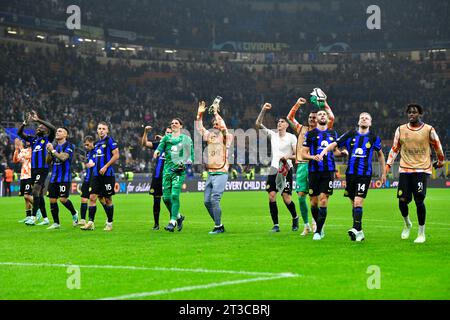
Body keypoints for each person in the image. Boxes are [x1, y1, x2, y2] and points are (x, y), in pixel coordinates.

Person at [319, 112, 385, 241]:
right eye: (362, 118)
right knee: (353, 203)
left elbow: (380, 155)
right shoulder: (350, 134)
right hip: (350, 174)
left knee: (358, 201)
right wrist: (324, 151)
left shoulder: (373, 137)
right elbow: (335, 144)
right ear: (359, 121)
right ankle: (359, 231)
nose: (364, 119)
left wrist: (383, 173)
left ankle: (355, 228)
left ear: (370, 123)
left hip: (364, 174)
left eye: (367, 118)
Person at [386, 104, 445, 243]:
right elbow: (395, 148)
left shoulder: (428, 129)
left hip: (421, 169)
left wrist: (441, 160)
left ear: (420, 114)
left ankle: (421, 232)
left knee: (419, 200)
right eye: (409, 112)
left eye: (414, 112)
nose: (411, 114)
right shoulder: (400, 129)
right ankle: (407, 224)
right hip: (405, 169)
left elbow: (437, 144)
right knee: (402, 202)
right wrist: (388, 164)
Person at [287, 96, 335, 236]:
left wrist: (324, 103)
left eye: (314, 117)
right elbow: (290, 117)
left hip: (318, 166)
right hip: (303, 164)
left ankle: (317, 224)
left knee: (317, 198)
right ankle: (306, 225)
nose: (312, 119)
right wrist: (297, 105)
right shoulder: (302, 129)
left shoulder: (325, 129)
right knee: (301, 195)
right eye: (310, 117)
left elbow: (331, 117)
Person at [301, 109, 345, 240]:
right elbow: (303, 153)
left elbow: (335, 151)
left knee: (323, 199)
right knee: (313, 203)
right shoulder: (310, 134)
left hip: (328, 171)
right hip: (313, 171)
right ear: (316, 118)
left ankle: (318, 231)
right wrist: (312, 157)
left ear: (327, 118)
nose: (322, 116)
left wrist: (342, 153)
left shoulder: (333, 133)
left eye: (324, 114)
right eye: (320, 114)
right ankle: (318, 224)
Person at [256, 102, 298, 232]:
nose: (279, 123)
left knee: (286, 198)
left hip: (286, 170)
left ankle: (295, 217)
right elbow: (258, 125)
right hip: (274, 169)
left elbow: (297, 155)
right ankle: (276, 225)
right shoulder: (272, 135)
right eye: (278, 122)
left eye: (282, 122)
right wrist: (263, 109)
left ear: (286, 125)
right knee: (271, 196)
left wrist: (287, 157)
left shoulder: (292, 137)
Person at [196, 100, 233, 234]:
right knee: (207, 202)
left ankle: (218, 227)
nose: (215, 125)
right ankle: (219, 224)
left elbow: (223, 127)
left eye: (216, 123)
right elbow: (200, 129)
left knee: (214, 199)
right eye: (213, 124)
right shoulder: (210, 136)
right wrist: (199, 115)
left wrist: (216, 113)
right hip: (211, 173)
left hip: (221, 172)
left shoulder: (226, 136)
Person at [154, 118, 194, 232]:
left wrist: (186, 163)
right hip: (167, 171)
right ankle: (179, 217)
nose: (173, 124)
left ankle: (172, 222)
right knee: (166, 198)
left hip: (178, 171)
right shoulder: (166, 138)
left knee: (175, 195)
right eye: (172, 123)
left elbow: (190, 155)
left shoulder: (186, 139)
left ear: (181, 126)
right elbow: (160, 147)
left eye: (176, 123)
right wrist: (156, 151)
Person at [18, 110, 56, 226]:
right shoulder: (33, 140)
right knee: (38, 194)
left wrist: (38, 119)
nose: (38, 128)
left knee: (34, 191)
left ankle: (34, 217)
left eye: (41, 127)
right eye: (38, 127)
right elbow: (20, 134)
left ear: (46, 130)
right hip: (33, 170)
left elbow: (53, 129)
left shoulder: (48, 139)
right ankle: (45, 219)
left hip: (42, 169)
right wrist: (25, 123)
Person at [81, 122, 120, 231]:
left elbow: (116, 155)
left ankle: (110, 223)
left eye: (103, 128)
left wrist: (106, 167)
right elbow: (93, 159)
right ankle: (90, 223)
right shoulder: (97, 144)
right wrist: (91, 164)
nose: (101, 130)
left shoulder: (110, 141)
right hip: (96, 176)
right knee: (93, 197)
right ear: (97, 130)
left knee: (108, 199)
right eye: (99, 128)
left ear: (107, 130)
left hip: (107, 175)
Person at [45, 127, 78, 229]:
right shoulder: (54, 146)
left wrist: (53, 150)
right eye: (57, 131)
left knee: (63, 199)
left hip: (64, 177)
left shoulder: (69, 145)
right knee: (52, 200)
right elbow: (48, 161)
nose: (57, 132)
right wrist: (49, 152)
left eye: (60, 131)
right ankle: (56, 223)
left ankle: (74, 213)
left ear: (65, 135)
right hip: (54, 177)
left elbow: (63, 158)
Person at [141, 125, 172, 230]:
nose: (168, 134)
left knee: (169, 200)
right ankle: (156, 224)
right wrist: (145, 132)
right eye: (167, 132)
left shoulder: (175, 146)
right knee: (156, 201)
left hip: (169, 177)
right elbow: (144, 143)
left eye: (170, 132)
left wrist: (164, 139)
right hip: (157, 177)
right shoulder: (159, 145)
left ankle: (174, 221)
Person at [12, 138, 33, 222]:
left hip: (30, 175)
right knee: (25, 198)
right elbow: (15, 160)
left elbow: (28, 156)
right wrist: (16, 150)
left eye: (28, 140)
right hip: (23, 176)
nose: (27, 141)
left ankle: (38, 210)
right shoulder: (23, 150)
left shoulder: (32, 149)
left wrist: (20, 148)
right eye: (26, 140)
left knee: (27, 195)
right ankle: (28, 216)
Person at [78, 135, 96, 226]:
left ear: (92, 142)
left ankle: (109, 219)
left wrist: (94, 164)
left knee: (101, 199)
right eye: (85, 145)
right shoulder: (88, 153)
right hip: (87, 178)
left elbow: (100, 162)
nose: (86, 146)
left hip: (95, 179)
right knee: (83, 198)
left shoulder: (97, 151)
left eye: (87, 144)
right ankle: (82, 220)